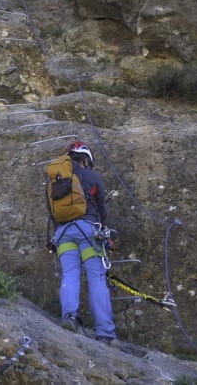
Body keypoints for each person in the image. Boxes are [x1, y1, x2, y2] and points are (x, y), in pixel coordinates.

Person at [50, 141, 117, 344]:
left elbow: (52, 211)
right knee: (96, 277)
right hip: (89, 231)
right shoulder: (93, 177)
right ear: (86, 159)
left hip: (63, 234)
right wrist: (106, 233)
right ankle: (104, 331)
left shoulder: (55, 180)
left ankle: (70, 317)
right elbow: (102, 209)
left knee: (70, 275)